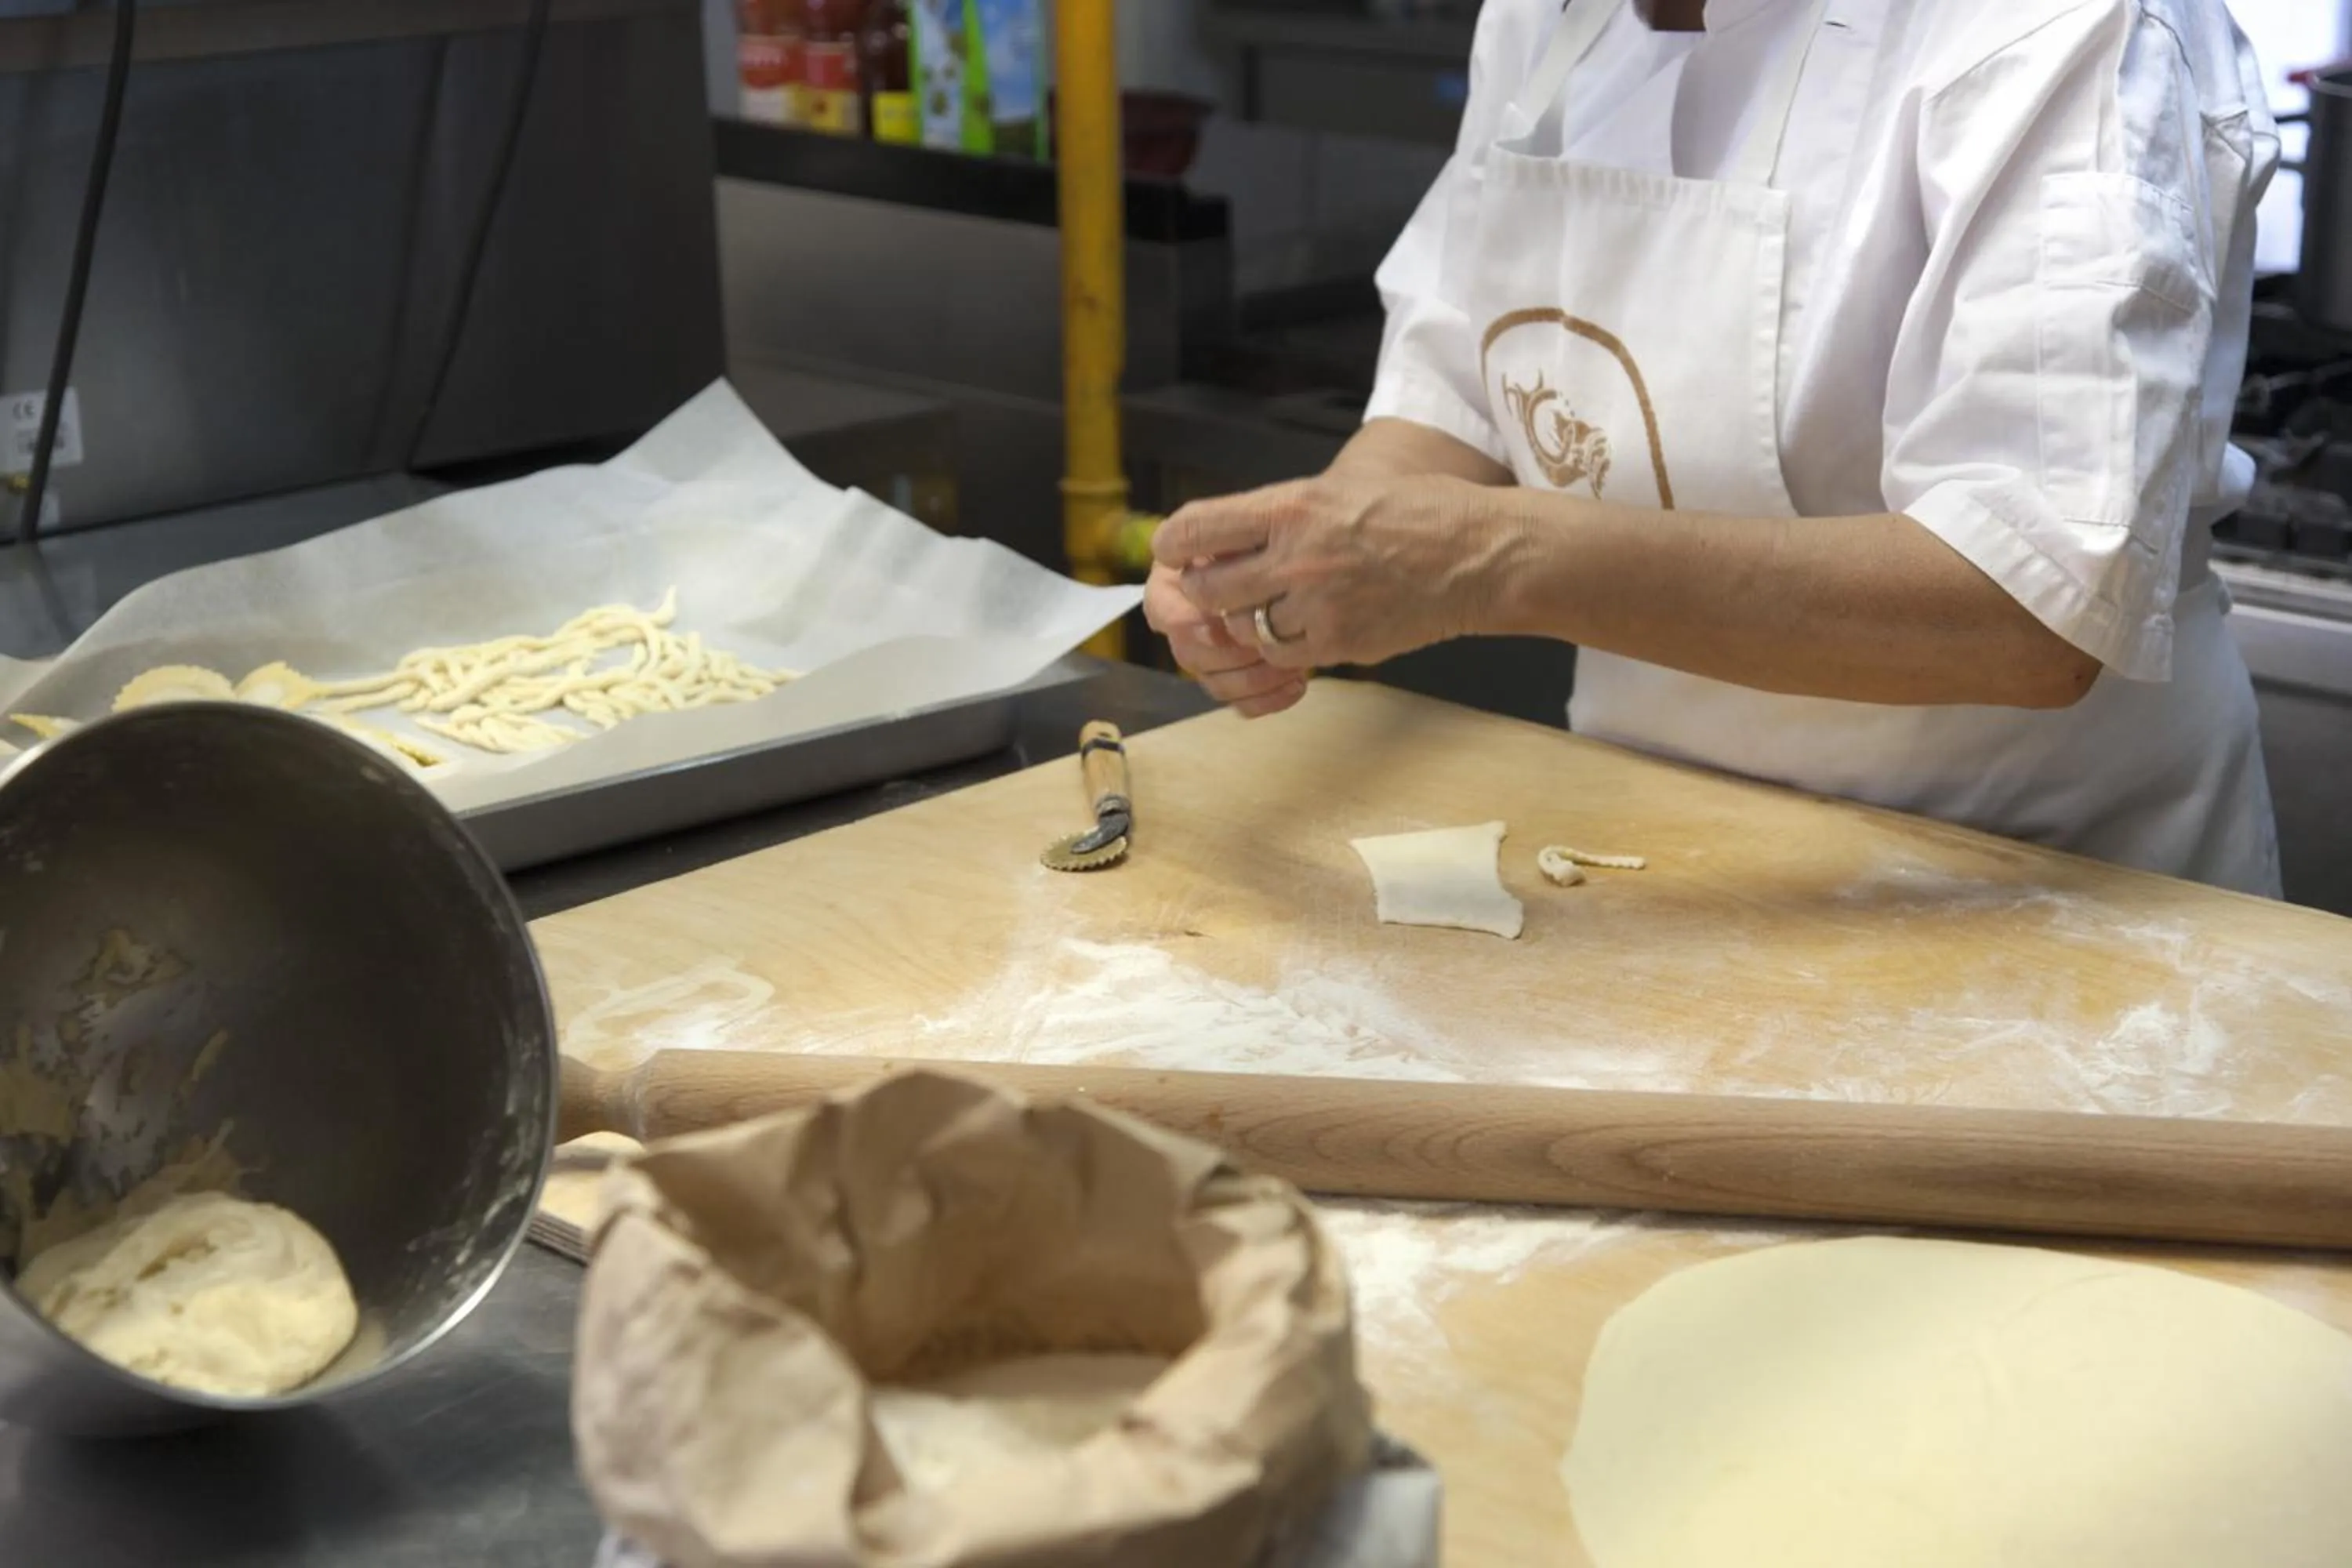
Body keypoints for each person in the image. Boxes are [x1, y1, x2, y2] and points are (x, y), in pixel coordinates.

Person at [1143, 0, 2283, 897]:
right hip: (1659, 854)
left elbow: (2029, 612)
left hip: (2037, 882)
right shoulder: (1549, 18)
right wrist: (1307, 556)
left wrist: (1486, 560)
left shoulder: (2060, 25)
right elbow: (1459, 384)